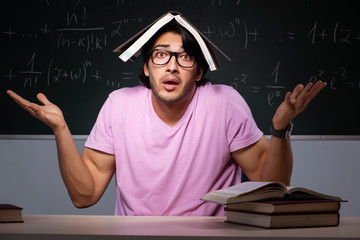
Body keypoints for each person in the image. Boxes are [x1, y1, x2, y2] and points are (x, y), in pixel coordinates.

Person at [7, 19, 326, 216]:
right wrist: (61, 129)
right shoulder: (119, 105)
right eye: (160, 55)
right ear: (146, 67)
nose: (172, 66)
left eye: (184, 57)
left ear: (199, 71)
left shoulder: (224, 102)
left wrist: (280, 129)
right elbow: (84, 195)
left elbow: (272, 186)